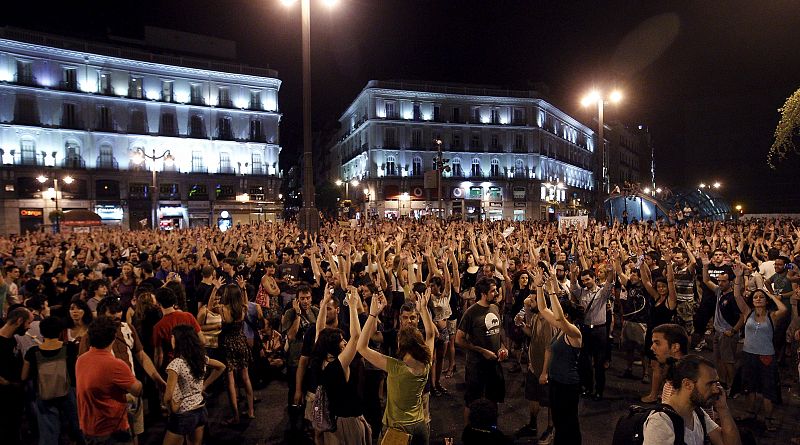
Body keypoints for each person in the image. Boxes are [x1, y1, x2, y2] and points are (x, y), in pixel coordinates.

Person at [358, 288, 435, 445]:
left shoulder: (395, 367)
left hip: (397, 428)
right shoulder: (427, 362)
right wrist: (424, 310)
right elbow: (431, 334)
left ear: (401, 345)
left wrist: (372, 314)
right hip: (420, 425)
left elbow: (361, 347)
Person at [311, 288, 371, 444]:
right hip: (348, 423)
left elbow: (319, 329)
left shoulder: (320, 361)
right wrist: (352, 306)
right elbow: (356, 336)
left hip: (333, 422)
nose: (345, 342)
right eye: (341, 341)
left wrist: (324, 303)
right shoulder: (338, 366)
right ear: (334, 347)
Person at [732, 263, 787, 431]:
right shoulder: (747, 313)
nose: (757, 299)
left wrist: (770, 295)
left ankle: (768, 418)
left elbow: (783, 308)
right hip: (749, 355)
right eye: (755, 297)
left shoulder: (772, 316)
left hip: (766, 357)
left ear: (765, 300)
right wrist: (739, 277)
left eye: (760, 297)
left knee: (767, 390)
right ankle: (750, 413)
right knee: (749, 387)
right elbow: (737, 297)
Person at [643, 355, 741, 445]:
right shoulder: (660, 423)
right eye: (710, 384)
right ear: (687, 384)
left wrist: (723, 408)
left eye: (716, 383)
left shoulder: (697, 413)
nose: (716, 390)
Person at [76, 316, 143, 445]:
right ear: (113, 338)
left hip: (88, 427)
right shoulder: (115, 365)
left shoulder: (81, 360)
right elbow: (136, 390)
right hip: (112, 429)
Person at [537, 266, 584, 445]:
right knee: (558, 420)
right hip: (557, 381)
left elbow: (561, 319)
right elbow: (542, 309)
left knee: (568, 423)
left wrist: (552, 292)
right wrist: (540, 287)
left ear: (565, 315)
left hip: (568, 385)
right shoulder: (559, 329)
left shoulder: (574, 332)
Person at [21, 316, 83, 445]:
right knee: (78, 428)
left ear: (42, 332)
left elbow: (23, 376)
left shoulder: (33, 352)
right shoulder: (70, 348)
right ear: (60, 331)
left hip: (44, 395)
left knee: (48, 434)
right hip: (68, 392)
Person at [162, 325, 225, 445]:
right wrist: (204, 385)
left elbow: (168, 397)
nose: (171, 339)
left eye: (172, 336)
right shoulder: (199, 359)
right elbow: (221, 367)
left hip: (183, 414)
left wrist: (172, 410)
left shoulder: (176, 364)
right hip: (200, 409)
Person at [456, 276, 507, 423]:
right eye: (493, 291)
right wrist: (482, 351)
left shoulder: (495, 308)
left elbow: (499, 331)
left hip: (494, 364)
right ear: (483, 293)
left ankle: (492, 430)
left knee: (494, 399)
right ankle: (468, 434)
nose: (496, 293)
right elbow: (459, 339)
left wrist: (503, 347)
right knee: (472, 401)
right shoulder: (471, 312)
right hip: (476, 365)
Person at [514, 268, 556, 443]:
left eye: (532, 300)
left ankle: (550, 429)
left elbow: (549, 348)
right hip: (534, 366)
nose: (528, 302)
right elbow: (532, 335)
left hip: (546, 370)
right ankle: (532, 425)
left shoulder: (547, 320)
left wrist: (545, 372)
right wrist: (522, 325)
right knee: (533, 397)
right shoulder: (538, 317)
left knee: (549, 402)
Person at [210, 276, 255, 424]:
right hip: (241, 342)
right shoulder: (243, 308)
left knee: (230, 381)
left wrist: (215, 288)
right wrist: (242, 288)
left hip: (228, 345)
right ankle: (251, 411)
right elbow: (246, 302)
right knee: (246, 377)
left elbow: (210, 307)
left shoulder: (223, 309)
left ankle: (235, 416)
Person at [572, 265, 614, 400]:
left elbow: (609, 284)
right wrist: (573, 274)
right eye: (583, 280)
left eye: (587, 280)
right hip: (585, 330)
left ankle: (599, 390)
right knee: (585, 361)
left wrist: (611, 271)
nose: (585, 282)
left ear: (594, 278)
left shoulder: (602, 293)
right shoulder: (581, 292)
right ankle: (587, 387)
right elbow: (573, 286)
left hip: (599, 330)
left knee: (599, 362)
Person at [700, 254, 741, 389]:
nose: (720, 283)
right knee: (718, 360)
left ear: (730, 282)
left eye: (723, 281)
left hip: (727, 333)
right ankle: (723, 383)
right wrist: (705, 266)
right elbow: (706, 281)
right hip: (718, 332)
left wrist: (733, 330)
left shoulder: (734, 296)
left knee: (728, 361)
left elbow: (743, 316)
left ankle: (732, 386)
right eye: (719, 281)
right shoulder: (719, 291)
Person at [0, 307, 32, 445]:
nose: (29, 327)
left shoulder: (13, 340)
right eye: (28, 322)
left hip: (14, 399)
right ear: (19, 320)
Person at [152, 287, 203, 371]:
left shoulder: (158, 327)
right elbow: (202, 340)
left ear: (158, 304)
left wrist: (157, 372)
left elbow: (159, 355)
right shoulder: (188, 316)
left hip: (172, 366)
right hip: (193, 363)